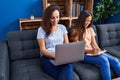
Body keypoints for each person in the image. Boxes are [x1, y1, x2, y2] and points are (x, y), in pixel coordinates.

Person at [69, 10, 120, 80]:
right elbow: (78, 49)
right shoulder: (75, 31)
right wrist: (91, 50)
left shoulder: (90, 29)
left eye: (89, 21)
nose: (88, 23)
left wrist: (97, 49)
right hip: (82, 54)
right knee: (104, 60)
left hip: (92, 52)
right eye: (86, 20)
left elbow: (94, 44)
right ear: (81, 19)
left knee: (115, 61)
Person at [37, 4, 73, 80]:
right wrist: (55, 56)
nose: (55, 20)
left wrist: (66, 55)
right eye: (52, 18)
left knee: (69, 64)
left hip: (62, 56)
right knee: (62, 73)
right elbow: (42, 50)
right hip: (47, 57)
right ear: (48, 18)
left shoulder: (62, 28)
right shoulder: (41, 29)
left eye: (57, 17)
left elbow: (67, 44)